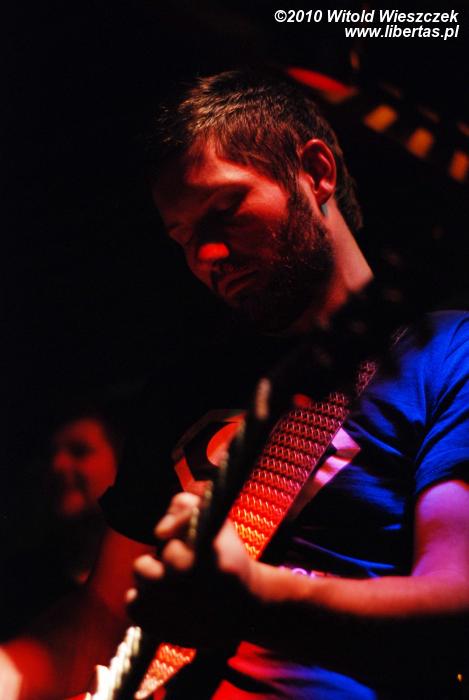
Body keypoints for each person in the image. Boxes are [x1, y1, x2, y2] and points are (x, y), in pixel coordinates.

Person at [1, 68, 469, 699]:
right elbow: (102, 619)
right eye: (184, 238)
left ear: (316, 172)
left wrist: (257, 599)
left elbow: (454, 606)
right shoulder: (184, 388)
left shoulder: (448, 353)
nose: (206, 256)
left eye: (225, 211)